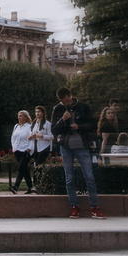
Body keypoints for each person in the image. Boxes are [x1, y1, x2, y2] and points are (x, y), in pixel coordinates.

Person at [53, 89, 103, 220]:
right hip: (66, 146)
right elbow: (54, 129)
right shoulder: (58, 109)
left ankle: (94, 207)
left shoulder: (83, 107)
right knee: (69, 178)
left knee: (89, 176)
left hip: (82, 146)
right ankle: (74, 206)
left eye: (68, 101)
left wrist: (79, 127)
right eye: (64, 102)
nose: (67, 104)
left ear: (71, 96)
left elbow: (92, 124)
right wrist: (62, 120)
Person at [9, 111, 37, 193]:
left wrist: (29, 149)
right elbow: (13, 138)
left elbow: (32, 139)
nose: (19, 118)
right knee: (25, 169)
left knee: (21, 167)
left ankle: (16, 186)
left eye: (21, 116)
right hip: (17, 150)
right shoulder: (16, 126)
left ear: (25, 117)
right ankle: (30, 187)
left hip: (25, 151)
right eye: (18, 116)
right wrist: (13, 147)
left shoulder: (30, 127)